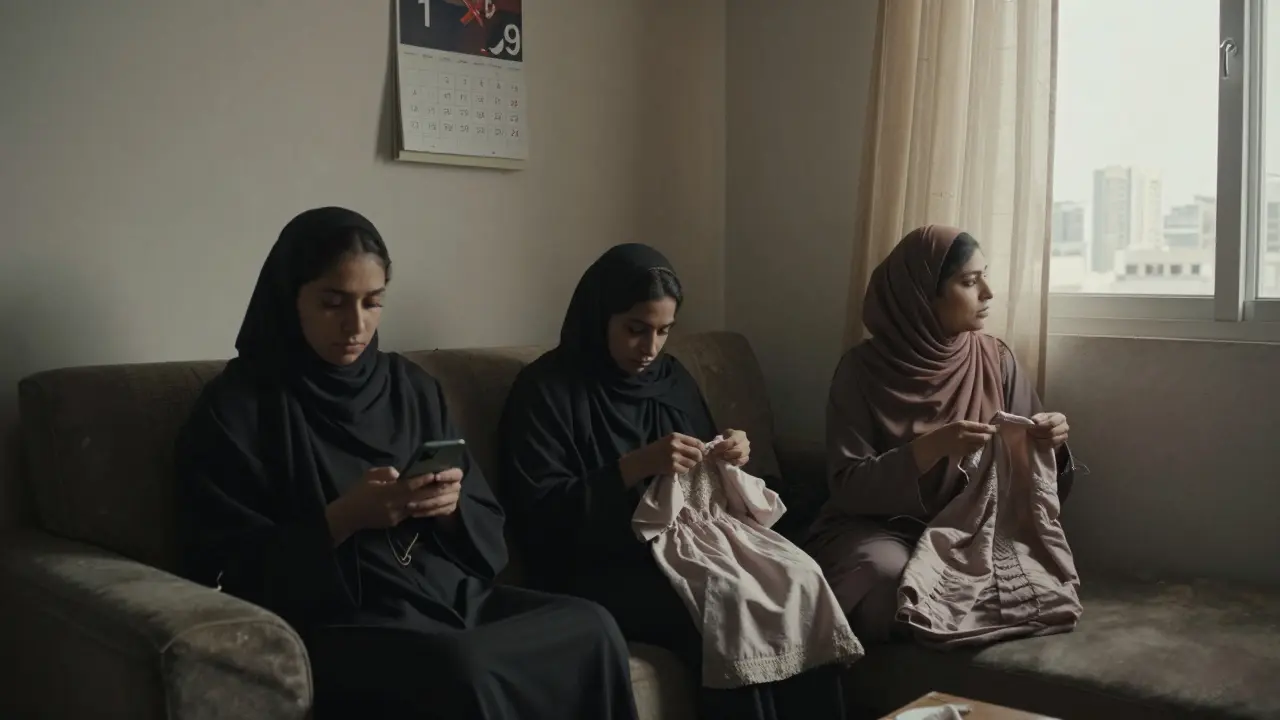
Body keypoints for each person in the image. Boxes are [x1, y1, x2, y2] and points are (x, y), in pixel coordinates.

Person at [174, 207, 637, 720]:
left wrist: (449, 505)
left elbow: (487, 522)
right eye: (333, 303)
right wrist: (343, 518)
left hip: (446, 597)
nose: (357, 324)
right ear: (290, 299)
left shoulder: (409, 386)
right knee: (465, 668)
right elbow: (221, 563)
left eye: (373, 302)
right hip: (344, 619)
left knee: (592, 625)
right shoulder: (238, 406)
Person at [498, 243, 847, 720]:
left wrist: (731, 453)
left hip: (687, 544)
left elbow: (704, 478)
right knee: (727, 600)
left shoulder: (670, 378)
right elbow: (539, 514)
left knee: (798, 575)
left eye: (664, 331)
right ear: (599, 317)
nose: (651, 348)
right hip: (597, 563)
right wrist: (633, 466)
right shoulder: (547, 390)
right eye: (636, 330)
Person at [805, 225, 1076, 644]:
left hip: (972, 530)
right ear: (922, 295)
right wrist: (926, 450)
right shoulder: (861, 371)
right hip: (880, 529)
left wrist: (1051, 444)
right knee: (888, 580)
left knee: (1027, 581)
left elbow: (1033, 478)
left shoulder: (995, 359)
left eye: (985, 276)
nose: (987, 292)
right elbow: (847, 485)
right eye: (969, 281)